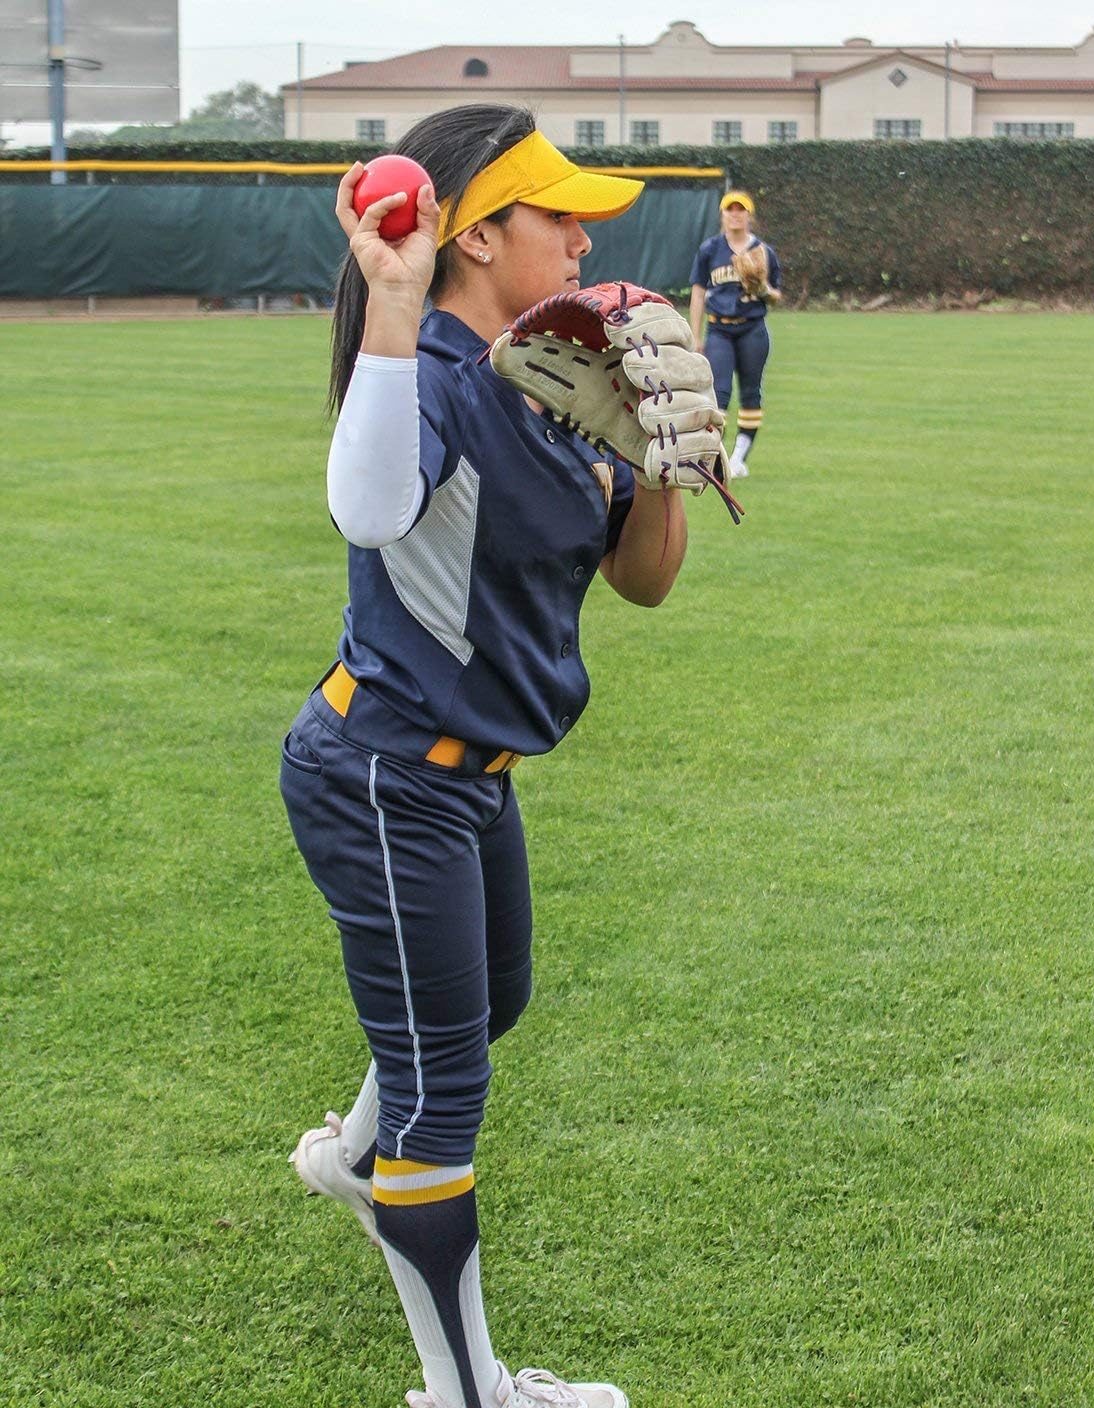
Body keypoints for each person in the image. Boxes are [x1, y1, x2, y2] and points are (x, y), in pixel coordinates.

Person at [278, 103, 713, 1408]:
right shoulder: (430, 376)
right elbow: (368, 507)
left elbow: (644, 583)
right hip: (384, 772)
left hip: (472, 781)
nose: (583, 241)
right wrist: (394, 297)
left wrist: (665, 456)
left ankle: (357, 1160)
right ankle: (470, 1394)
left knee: (489, 1005)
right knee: (443, 1090)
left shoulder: (557, 379)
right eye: (557, 216)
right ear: (474, 237)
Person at [688, 189, 781, 479]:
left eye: (741, 209)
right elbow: (698, 293)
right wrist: (695, 336)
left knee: (751, 392)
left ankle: (738, 457)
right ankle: (713, 457)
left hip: (752, 328)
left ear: (749, 215)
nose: (736, 214)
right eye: (731, 209)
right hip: (719, 329)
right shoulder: (710, 249)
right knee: (719, 394)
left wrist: (763, 289)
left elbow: (776, 296)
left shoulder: (763, 251)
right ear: (723, 215)